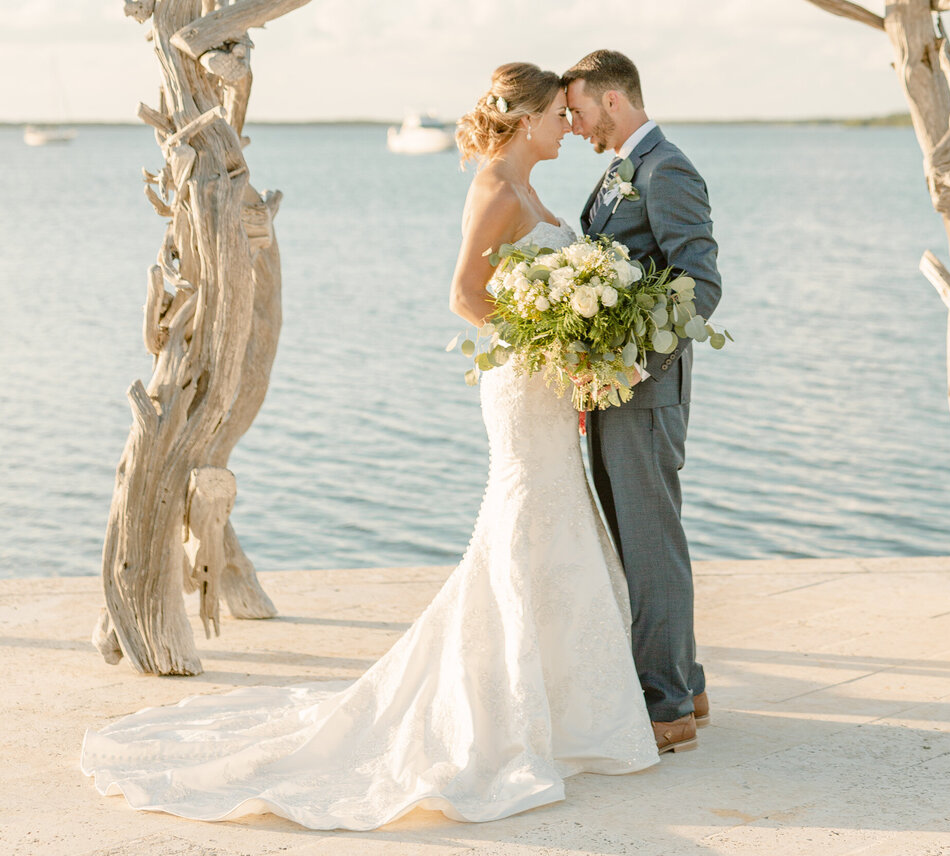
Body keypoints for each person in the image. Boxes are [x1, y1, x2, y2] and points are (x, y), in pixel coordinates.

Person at [81, 63, 658, 829]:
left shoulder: (527, 187)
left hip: (546, 386)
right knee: (528, 520)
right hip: (523, 383)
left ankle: (562, 705)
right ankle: (504, 710)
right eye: (558, 113)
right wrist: (548, 344)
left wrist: (569, 344)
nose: (567, 126)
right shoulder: (494, 186)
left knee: (555, 520)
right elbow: (465, 295)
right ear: (526, 122)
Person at [563, 49, 722, 755]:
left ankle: (664, 710)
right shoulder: (623, 169)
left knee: (653, 545)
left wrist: (633, 366)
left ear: (613, 101)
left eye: (577, 109)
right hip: (613, 390)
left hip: (643, 391)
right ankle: (685, 683)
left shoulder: (668, 169)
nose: (572, 124)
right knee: (640, 540)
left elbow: (701, 284)